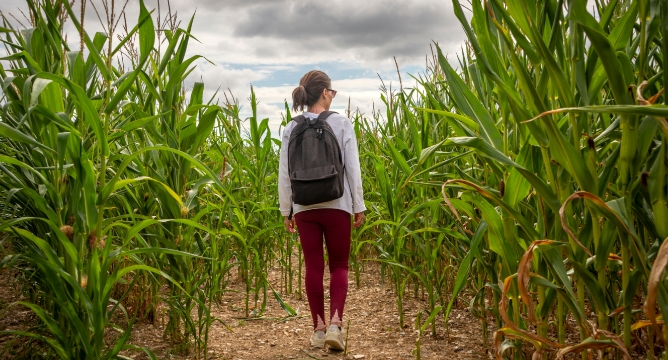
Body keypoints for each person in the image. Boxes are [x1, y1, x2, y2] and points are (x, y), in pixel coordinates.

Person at [278, 70, 366, 350]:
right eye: (332, 92)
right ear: (326, 92)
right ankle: (335, 326)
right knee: (339, 265)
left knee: (313, 266)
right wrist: (358, 205)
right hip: (336, 203)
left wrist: (286, 209)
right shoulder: (341, 123)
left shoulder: (291, 127)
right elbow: (353, 168)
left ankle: (317, 330)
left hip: (304, 206)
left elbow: (284, 173)